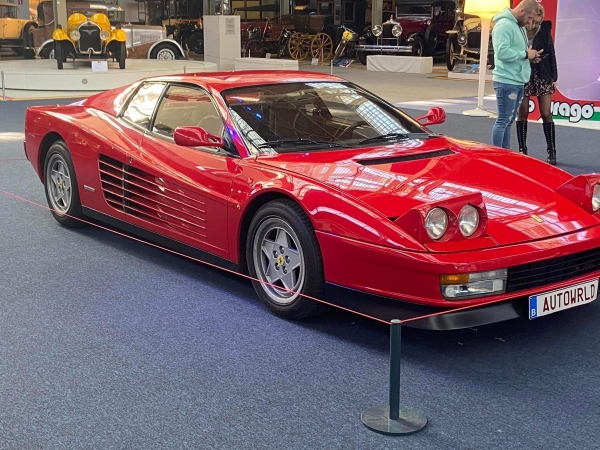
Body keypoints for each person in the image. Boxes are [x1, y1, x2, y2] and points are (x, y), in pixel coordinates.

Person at [491, 0, 543, 149]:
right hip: (507, 80)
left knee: (508, 121)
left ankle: (504, 153)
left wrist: (530, 55)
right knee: (503, 121)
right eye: (529, 18)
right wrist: (525, 54)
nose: (530, 22)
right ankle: (497, 154)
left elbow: (516, 51)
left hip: (517, 80)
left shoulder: (517, 26)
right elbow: (502, 53)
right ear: (521, 11)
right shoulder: (504, 25)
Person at [515, 7, 558, 165]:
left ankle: (552, 151)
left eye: (538, 22)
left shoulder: (545, 29)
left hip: (542, 73)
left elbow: (551, 52)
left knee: (546, 113)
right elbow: (514, 51)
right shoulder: (518, 28)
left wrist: (554, 76)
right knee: (523, 112)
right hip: (523, 73)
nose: (534, 24)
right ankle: (522, 150)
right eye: (533, 20)